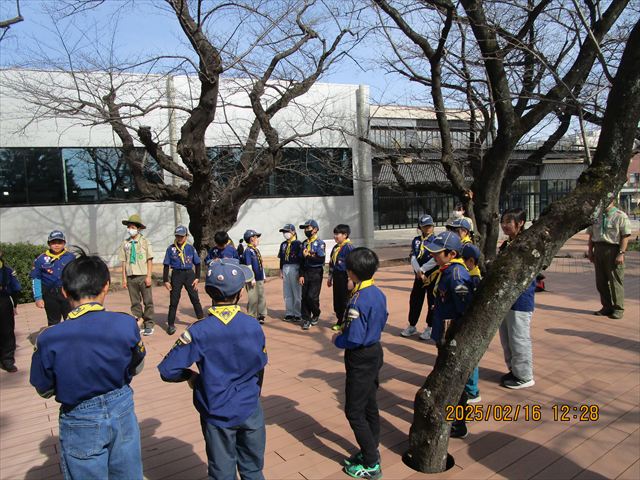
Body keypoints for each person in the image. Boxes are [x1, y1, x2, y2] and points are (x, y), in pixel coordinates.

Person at [30, 251, 146, 480]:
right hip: (122, 408)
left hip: (79, 417)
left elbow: (44, 388)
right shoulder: (126, 323)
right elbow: (137, 366)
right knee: (128, 472)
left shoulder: (49, 338)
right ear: (105, 287)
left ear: (64, 292)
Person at [158, 258, 267, 480]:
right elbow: (260, 367)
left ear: (209, 292)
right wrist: (253, 393)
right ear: (239, 294)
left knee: (221, 472)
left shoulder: (198, 331)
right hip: (250, 407)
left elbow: (167, 370)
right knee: (253, 470)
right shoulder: (252, 325)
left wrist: (192, 378)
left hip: (216, 410)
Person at [332, 248, 387, 480]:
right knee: (369, 404)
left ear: (351, 273)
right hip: (374, 351)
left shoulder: (358, 299)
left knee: (354, 411)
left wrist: (338, 339)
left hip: (360, 357)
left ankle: (372, 463)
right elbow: (383, 318)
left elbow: (353, 338)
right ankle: (370, 449)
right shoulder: (376, 292)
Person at [425, 231, 475, 438]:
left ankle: (458, 423)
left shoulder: (456, 276)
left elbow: (464, 310)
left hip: (452, 336)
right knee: (447, 379)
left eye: (438, 253)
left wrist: (454, 337)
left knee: (454, 383)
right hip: (443, 333)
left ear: (452, 253)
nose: (434, 257)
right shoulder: (445, 271)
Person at [498, 208, 537, 389]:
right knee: (507, 338)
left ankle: (524, 376)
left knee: (518, 337)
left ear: (520, 223)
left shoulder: (527, 245)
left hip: (520, 299)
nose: (504, 225)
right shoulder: (507, 244)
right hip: (506, 298)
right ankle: (514, 370)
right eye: (503, 221)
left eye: (508, 221)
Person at [587, 197, 632, 319]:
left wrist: (621, 253)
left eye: (607, 200)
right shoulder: (596, 216)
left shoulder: (620, 216)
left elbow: (625, 236)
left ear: (612, 201)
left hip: (613, 250)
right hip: (599, 249)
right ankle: (606, 306)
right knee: (600, 282)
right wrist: (590, 251)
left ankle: (618, 308)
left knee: (615, 281)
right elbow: (591, 235)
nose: (603, 202)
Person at [163, 225, 204, 335]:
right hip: (176, 274)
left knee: (195, 298)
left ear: (186, 236)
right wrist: (165, 280)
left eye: (182, 236)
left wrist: (197, 278)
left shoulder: (190, 248)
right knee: (174, 300)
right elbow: (166, 265)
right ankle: (171, 324)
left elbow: (198, 263)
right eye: (177, 236)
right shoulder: (170, 249)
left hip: (189, 274)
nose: (179, 238)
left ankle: (202, 321)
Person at [401, 215, 437, 340]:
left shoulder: (437, 240)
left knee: (432, 301)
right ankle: (412, 325)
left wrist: (423, 270)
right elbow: (413, 256)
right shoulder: (416, 240)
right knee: (415, 300)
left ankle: (430, 327)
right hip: (418, 277)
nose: (428, 228)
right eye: (425, 226)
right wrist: (418, 271)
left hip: (431, 276)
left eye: (430, 226)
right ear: (420, 227)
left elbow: (436, 259)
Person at [119, 214, 155, 336]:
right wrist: (124, 278)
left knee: (148, 301)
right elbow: (123, 261)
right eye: (129, 227)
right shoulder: (125, 243)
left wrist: (149, 276)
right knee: (135, 302)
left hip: (143, 275)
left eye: (133, 227)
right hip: (131, 276)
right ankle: (138, 322)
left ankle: (149, 324)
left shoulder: (145, 242)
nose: (130, 229)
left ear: (139, 228)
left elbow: (150, 260)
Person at [30, 230, 75, 326]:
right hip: (50, 295)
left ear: (64, 243)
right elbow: (36, 279)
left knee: (71, 319)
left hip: (67, 293)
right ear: (48, 243)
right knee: (53, 322)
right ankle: (54, 340)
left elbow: (76, 276)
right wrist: (38, 297)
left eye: (60, 242)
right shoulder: (40, 259)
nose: (57, 245)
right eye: (53, 242)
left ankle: (71, 340)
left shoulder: (70, 257)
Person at [461, 243, 482, 403]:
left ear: (470, 261)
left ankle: (472, 391)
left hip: (471, 324)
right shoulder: (472, 275)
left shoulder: (473, 279)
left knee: (470, 358)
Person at [299, 219, 326, 331]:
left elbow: (321, 259)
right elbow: (301, 260)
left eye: (308, 228)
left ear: (315, 230)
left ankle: (316, 313)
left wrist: (308, 256)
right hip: (305, 272)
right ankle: (306, 319)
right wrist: (301, 275)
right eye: (305, 228)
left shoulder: (320, 244)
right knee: (304, 296)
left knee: (312, 296)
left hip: (316, 272)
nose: (306, 230)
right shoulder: (304, 243)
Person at [328, 224, 355, 331]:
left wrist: (350, 279)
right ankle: (340, 319)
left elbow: (352, 265)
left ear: (345, 235)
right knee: (337, 300)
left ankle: (345, 322)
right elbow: (331, 263)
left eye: (337, 234)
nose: (335, 236)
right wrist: (330, 277)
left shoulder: (349, 248)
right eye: (334, 234)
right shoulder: (336, 247)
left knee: (345, 300)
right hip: (337, 277)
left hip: (345, 277)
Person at [0, 251, 21, 373]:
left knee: (7, 331)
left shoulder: (7, 270)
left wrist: (15, 306)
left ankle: (7, 360)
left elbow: (15, 289)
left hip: (3, 302)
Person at [277, 223, 303, 323]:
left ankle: (297, 313)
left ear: (293, 232)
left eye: (287, 231)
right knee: (287, 292)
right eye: (284, 232)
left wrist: (300, 273)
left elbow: (301, 260)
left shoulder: (298, 244)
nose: (285, 234)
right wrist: (281, 270)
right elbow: (282, 259)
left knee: (296, 291)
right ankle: (289, 313)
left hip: (295, 267)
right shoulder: (283, 244)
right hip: (285, 267)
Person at [243, 229, 267, 324]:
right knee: (253, 297)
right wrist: (251, 278)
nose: (257, 239)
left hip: (260, 277)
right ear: (251, 239)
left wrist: (263, 275)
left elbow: (261, 263)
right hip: (252, 278)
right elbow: (249, 265)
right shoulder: (248, 251)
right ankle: (251, 314)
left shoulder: (256, 250)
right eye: (256, 237)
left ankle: (261, 314)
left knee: (261, 296)